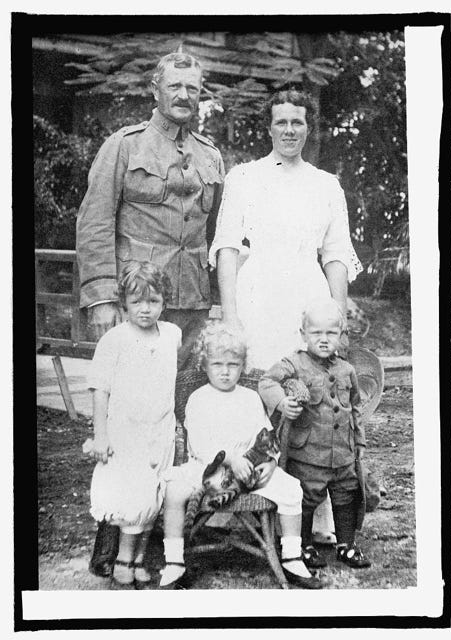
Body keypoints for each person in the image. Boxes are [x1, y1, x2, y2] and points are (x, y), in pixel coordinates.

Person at [209, 88, 363, 544]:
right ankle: (250, 503)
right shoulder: (244, 177)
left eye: (298, 122)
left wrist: (335, 315)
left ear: (308, 128)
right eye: (281, 122)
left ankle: (312, 516)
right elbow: (227, 247)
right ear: (269, 126)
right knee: (262, 392)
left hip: (306, 295)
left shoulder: (325, 184)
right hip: (258, 295)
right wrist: (232, 314)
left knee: (312, 394)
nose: (290, 130)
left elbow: (335, 253)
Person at [76, 51, 224, 369]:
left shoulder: (211, 155)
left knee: (181, 400)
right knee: (131, 400)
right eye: (174, 86)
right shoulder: (124, 145)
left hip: (192, 305)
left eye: (192, 89)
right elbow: (94, 222)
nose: (183, 95)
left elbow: (215, 234)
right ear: (156, 90)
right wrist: (101, 299)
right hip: (137, 299)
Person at [159, 321, 323, 589]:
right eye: (217, 365)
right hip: (207, 468)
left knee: (291, 488)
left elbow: (266, 435)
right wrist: (230, 460)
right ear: (205, 364)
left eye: (232, 365)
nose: (225, 372)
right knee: (174, 490)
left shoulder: (249, 397)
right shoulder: (199, 398)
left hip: (250, 467)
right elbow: (200, 444)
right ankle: (174, 562)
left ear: (242, 366)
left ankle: (292, 556)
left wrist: (270, 462)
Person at [84, 262, 181, 587]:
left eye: (153, 301)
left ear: (163, 302)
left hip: (160, 431)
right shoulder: (115, 339)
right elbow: (101, 389)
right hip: (127, 433)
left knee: (153, 497)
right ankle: (123, 559)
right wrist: (101, 434)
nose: (145, 309)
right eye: (137, 302)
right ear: (124, 302)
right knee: (133, 497)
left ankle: (139, 558)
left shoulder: (171, 335)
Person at [258, 299, 371, 571]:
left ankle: (346, 545)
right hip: (307, 453)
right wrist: (282, 402)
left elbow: (355, 408)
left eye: (331, 333)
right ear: (303, 334)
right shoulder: (294, 363)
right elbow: (266, 381)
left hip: (343, 453)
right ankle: (304, 545)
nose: (323, 339)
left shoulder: (347, 370)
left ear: (341, 336)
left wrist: (360, 441)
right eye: (316, 333)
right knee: (306, 497)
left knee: (346, 494)